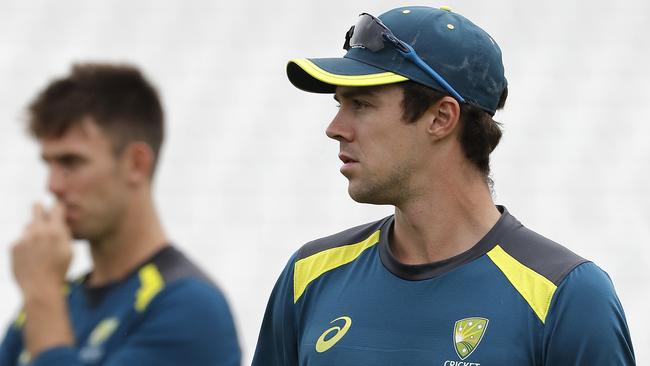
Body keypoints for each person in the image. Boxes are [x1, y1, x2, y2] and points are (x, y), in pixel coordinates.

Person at [253, 6, 635, 365]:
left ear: (440, 118)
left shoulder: (567, 296)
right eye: (338, 105)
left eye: (362, 105)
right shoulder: (309, 275)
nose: (335, 129)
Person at [0, 63, 240, 366]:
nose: (53, 186)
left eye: (70, 162)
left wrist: (42, 293)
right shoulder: (56, 302)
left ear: (136, 164)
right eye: (48, 164)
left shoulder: (190, 307)